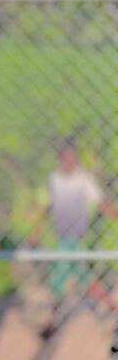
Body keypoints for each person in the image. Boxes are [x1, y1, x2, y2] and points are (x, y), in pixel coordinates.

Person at [36, 138, 118, 340]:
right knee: (77, 279)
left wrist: (115, 215)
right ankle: (111, 305)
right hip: (60, 237)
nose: (70, 161)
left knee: (64, 279)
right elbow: (51, 206)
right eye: (67, 157)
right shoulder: (54, 179)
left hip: (76, 238)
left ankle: (52, 322)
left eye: (73, 157)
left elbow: (101, 203)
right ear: (60, 158)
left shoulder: (83, 179)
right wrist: (37, 230)